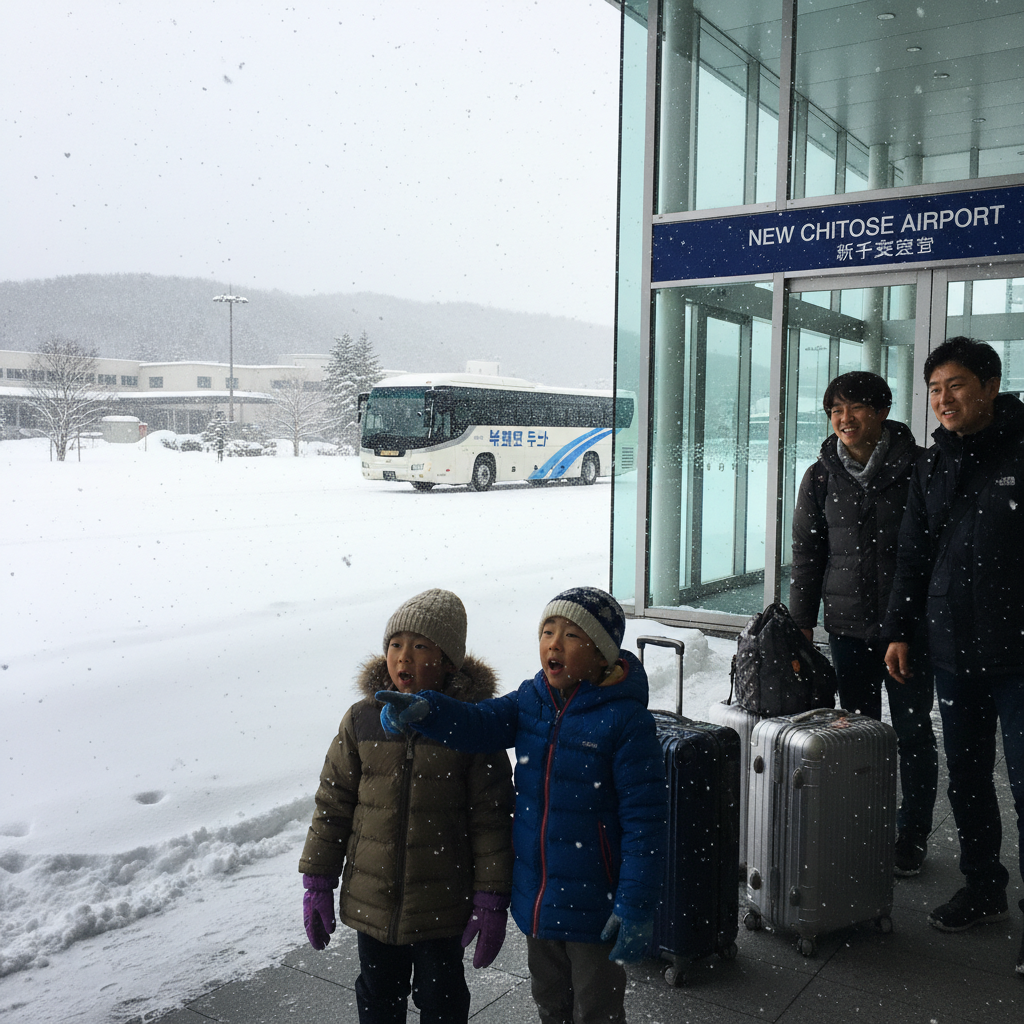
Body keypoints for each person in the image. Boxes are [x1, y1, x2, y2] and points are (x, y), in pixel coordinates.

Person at [378, 586, 667, 1024]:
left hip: (597, 902)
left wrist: (636, 902)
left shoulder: (626, 721)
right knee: (550, 1001)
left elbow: (646, 821)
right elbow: (481, 723)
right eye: (547, 631)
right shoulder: (531, 699)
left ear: (602, 654)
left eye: (571, 635)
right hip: (538, 896)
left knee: (597, 1009)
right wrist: (428, 711)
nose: (553, 643)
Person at [298, 589, 514, 1024]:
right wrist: (318, 878)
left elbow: (492, 816)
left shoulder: (471, 726)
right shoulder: (361, 719)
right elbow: (334, 802)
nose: (404, 658)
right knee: (378, 996)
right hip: (373, 899)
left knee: (443, 1000)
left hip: (442, 902)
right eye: (396, 645)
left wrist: (492, 896)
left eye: (420, 647)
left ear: (449, 661)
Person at [883, 337, 1024, 976]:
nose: (943, 399)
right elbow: (913, 553)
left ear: (991, 386)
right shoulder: (931, 464)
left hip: (1019, 651)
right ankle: (983, 885)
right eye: (935, 388)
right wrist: (901, 630)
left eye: (957, 385)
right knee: (967, 776)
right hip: (952, 646)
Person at [790, 370, 938, 876]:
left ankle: (910, 834)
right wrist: (801, 623)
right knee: (855, 734)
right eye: (835, 410)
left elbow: (931, 552)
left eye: (854, 408)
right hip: (849, 629)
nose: (844, 419)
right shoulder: (820, 475)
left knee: (914, 734)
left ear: (882, 411)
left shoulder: (920, 467)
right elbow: (807, 555)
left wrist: (913, 621)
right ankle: (860, 825)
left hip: (908, 632)